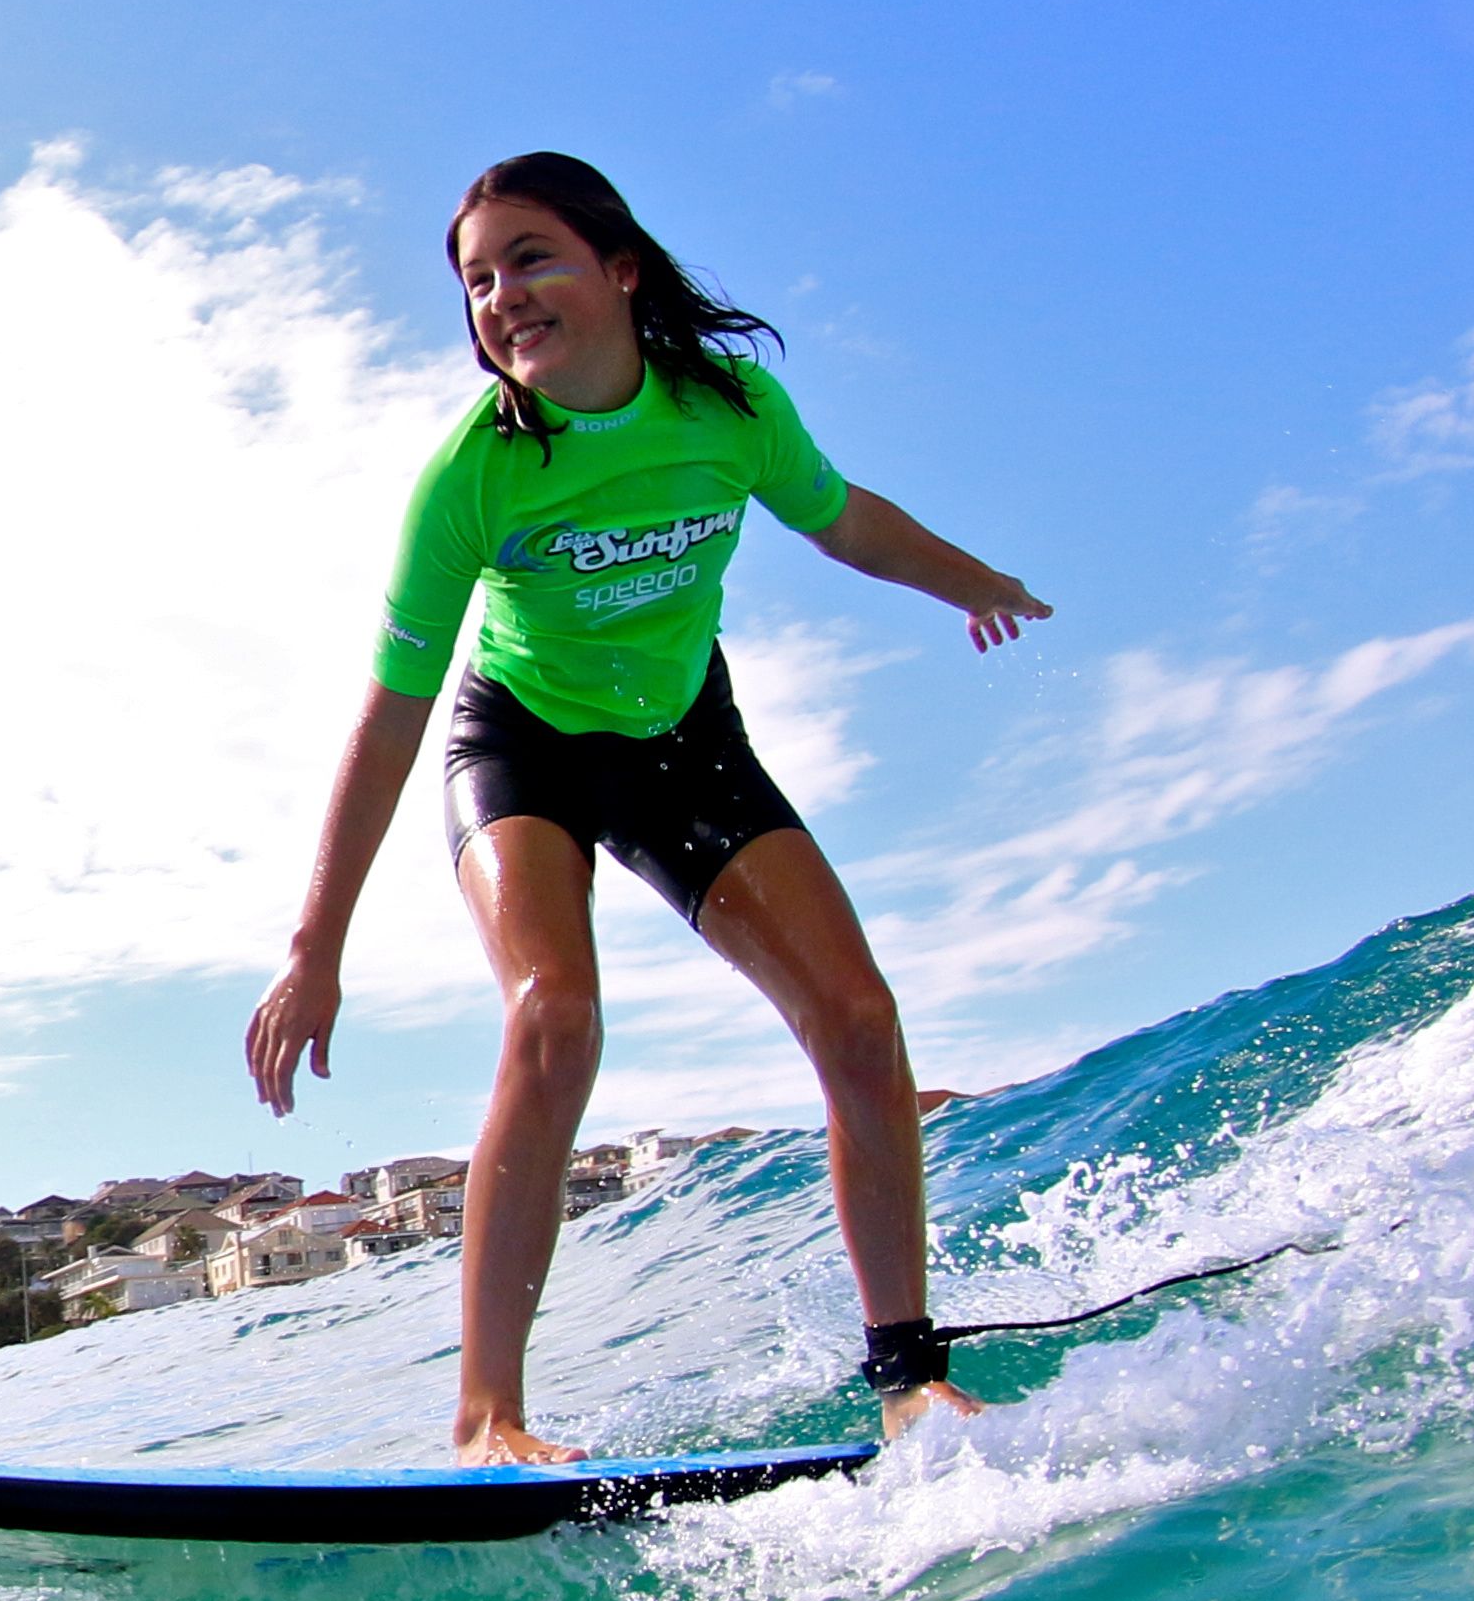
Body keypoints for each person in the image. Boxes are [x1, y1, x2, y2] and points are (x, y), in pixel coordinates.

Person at [246, 151, 1048, 1458]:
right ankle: (488, 1419)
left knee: (859, 1017)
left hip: (679, 740)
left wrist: (972, 582)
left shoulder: (726, 409)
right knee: (553, 1014)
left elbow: (843, 523)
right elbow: (393, 714)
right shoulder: (475, 474)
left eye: (531, 258)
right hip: (520, 745)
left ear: (620, 269)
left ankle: (907, 1374)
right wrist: (312, 952)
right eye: (477, 279)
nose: (500, 296)